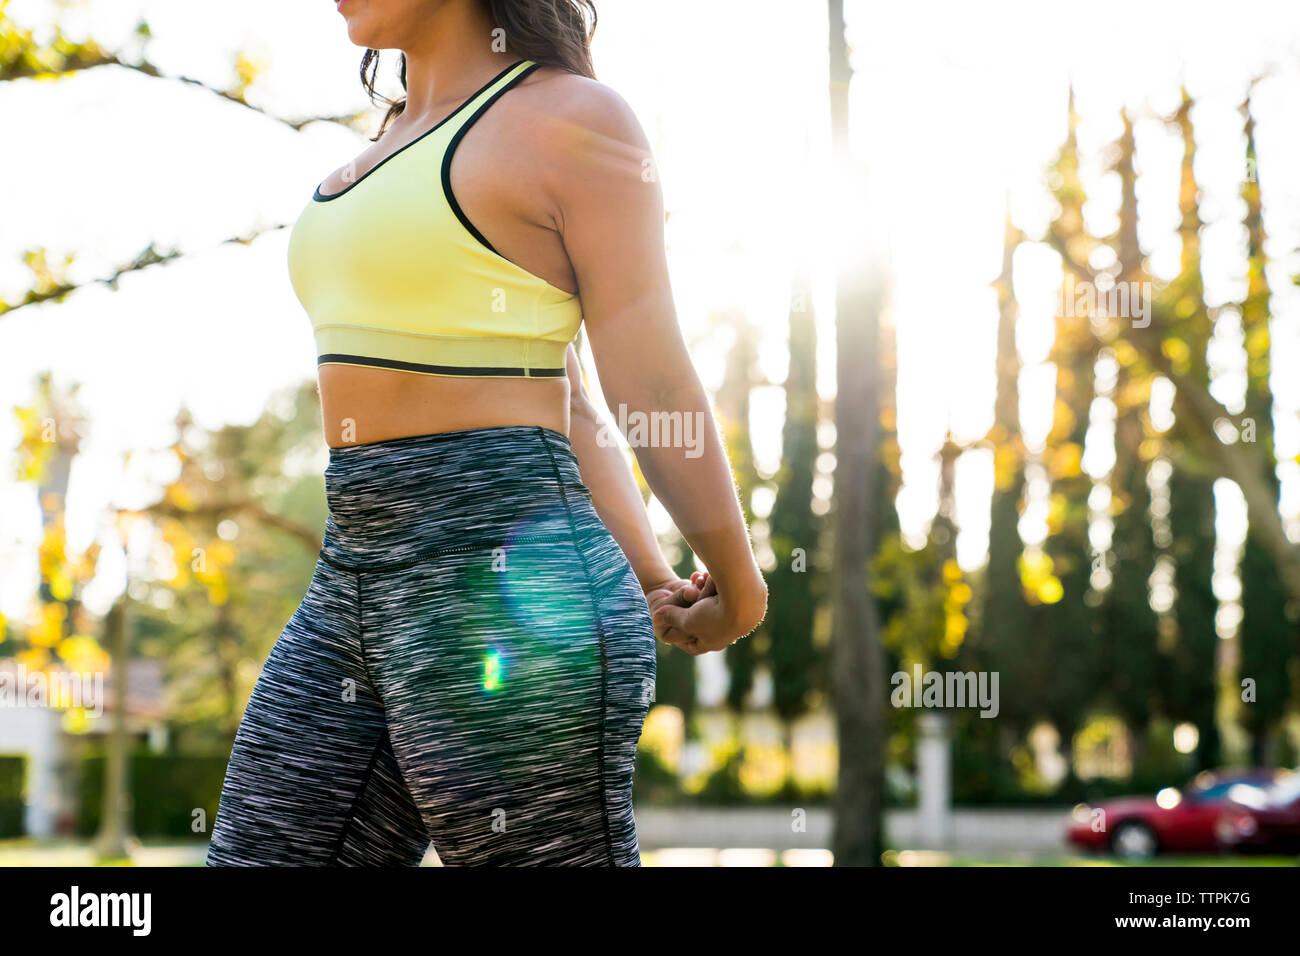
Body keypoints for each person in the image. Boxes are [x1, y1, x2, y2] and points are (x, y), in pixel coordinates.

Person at [207, 0, 766, 867]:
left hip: (510, 592)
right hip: (351, 576)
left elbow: (644, 373)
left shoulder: (573, 119)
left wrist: (733, 577)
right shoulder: (384, 142)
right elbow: (566, 397)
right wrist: (652, 571)